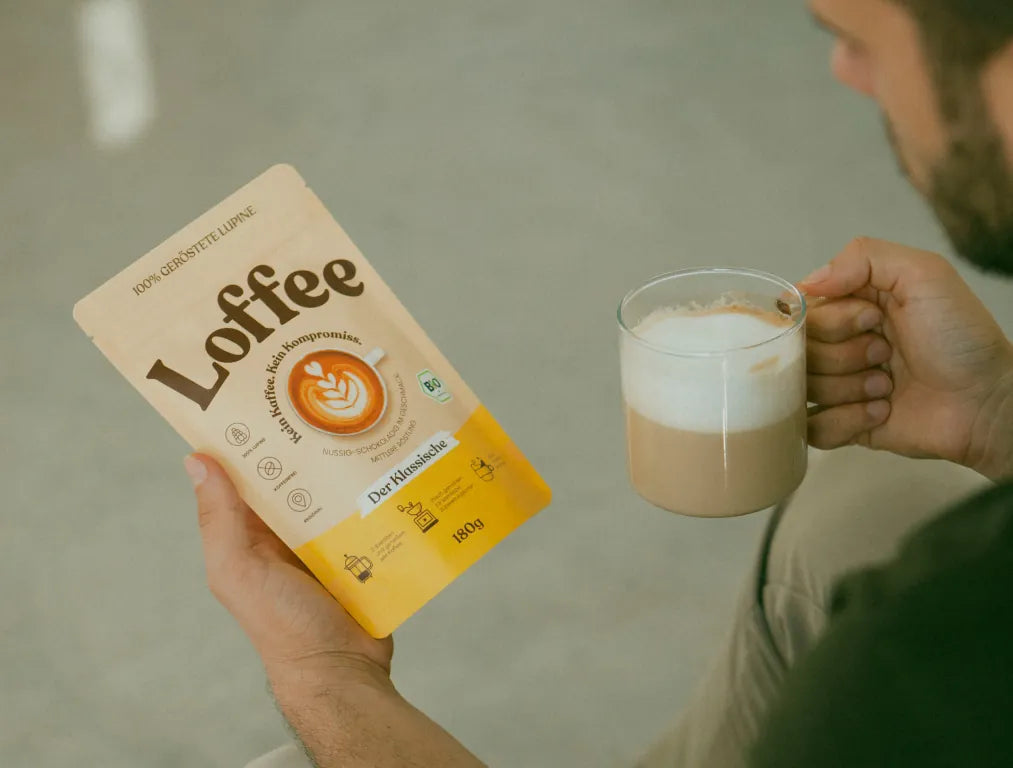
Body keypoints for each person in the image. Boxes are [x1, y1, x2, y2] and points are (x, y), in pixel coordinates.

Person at [182, 0, 1013, 765]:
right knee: (868, 487)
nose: (846, 73)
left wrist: (324, 673)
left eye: (858, 39)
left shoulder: (913, 669)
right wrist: (993, 412)